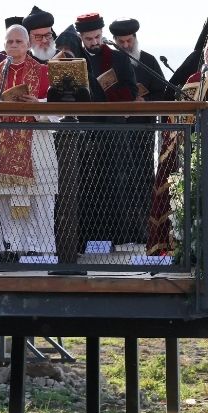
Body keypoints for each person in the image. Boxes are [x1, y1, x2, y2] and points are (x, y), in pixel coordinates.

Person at [0, 25, 58, 258]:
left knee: (40, 200)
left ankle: (40, 251)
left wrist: (38, 106)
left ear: (28, 44)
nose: (14, 45)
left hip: (36, 147)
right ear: (3, 45)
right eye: (10, 42)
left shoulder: (44, 72)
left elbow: (60, 109)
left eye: (19, 41)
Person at [75, 12, 138, 246]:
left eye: (97, 37)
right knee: (85, 185)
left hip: (113, 131)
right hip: (83, 132)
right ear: (81, 37)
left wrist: (105, 90)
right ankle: (85, 239)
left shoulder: (118, 58)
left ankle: (118, 238)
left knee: (115, 184)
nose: (94, 42)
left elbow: (131, 91)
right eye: (89, 38)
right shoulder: (73, 59)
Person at [110, 17, 166, 244]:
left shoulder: (148, 61)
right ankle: (120, 234)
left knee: (142, 179)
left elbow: (163, 93)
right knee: (118, 181)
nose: (125, 46)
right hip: (115, 132)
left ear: (135, 38)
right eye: (121, 42)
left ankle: (145, 232)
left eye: (129, 41)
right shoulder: (109, 61)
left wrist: (146, 101)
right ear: (114, 40)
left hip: (142, 131)